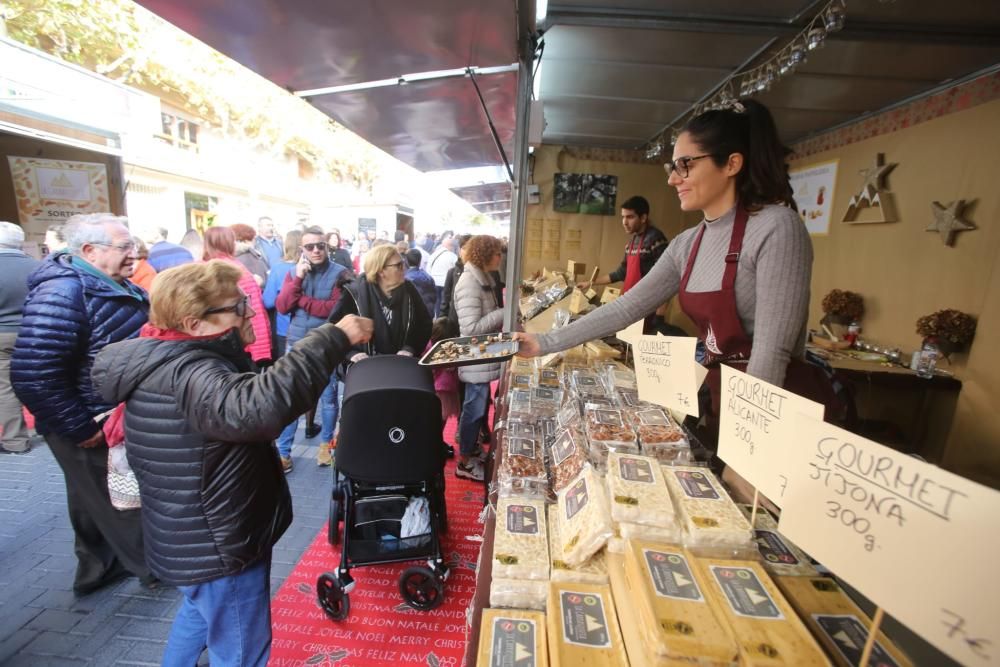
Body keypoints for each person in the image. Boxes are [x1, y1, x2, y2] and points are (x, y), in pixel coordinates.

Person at [514, 100, 832, 466]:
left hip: (773, 410)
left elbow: (771, 352)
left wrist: (749, 450)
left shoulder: (777, 228)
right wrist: (545, 342)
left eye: (685, 165)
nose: (672, 178)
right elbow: (628, 306)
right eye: (672, 166)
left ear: (731, 163)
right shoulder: (688, 243)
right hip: (723, 398)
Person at [90, 260, 373, 667]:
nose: (250, 312)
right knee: (240, 646)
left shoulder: (170, 356)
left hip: (195, 536)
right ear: (193, 323)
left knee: (201, 613)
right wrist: (334, 336)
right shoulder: (191, 369)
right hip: (217, 540)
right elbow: (260, 407)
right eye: (237, 306)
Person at [11, 212, 154, 594]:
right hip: (91, 420)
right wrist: (81, 427)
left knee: (88, 496)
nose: (134, 254)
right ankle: (151, 568)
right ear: (90, 250)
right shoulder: (64, 292)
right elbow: (32, 373)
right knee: (120, 500)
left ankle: (97, 570)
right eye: (125, 247)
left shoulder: (112, 284)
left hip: (105, 415)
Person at [275, 227, 348, 470]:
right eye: (310, 247)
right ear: (301, 250)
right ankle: (283, 453)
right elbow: (283, 306)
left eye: (320, 245)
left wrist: (302, 300)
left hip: (326, 343)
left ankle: (326, 445)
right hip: (297, 342)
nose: (316, 250)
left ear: (327, 247)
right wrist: (297, 279)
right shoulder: (293, 273)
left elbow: (332, 310)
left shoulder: (341, 273)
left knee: (328, 398)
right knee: (291, 398)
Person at [327, 244, 432, 376]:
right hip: (365, 372)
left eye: (403, 263)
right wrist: (351, 353)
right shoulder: (354, 293)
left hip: (401, 370)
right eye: (398, 265)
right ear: (381, 271)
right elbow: (333, 329)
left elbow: (425, 323)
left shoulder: (409, 289)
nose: (404, 268)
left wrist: (410, 348)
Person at [453, 235, 506, 482]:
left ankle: (472, 450)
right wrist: (502, 313)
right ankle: (464, 462)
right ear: (484, 254)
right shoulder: (469, 282)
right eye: (496, 253)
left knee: (478, 407)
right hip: (475, 356)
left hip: (482, 355)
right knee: (473, 409)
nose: (500, 257)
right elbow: (471, 329)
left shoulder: (482, 277)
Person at [575, 195, 669, 333]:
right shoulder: (631, 243)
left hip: (647, 310)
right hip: (630, 306)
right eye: (623, 217)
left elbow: (666, 279)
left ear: (643, 218)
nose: (624, 222)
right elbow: (621, 273)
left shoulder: (656, 239)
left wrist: (659, 316)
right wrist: (590, 283)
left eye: (630, 217)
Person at [202, 226, 272, 364]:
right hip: (236, 340)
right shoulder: (235, 269)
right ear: (229, 242)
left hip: (208, 340)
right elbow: (254, 310)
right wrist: (260, 350)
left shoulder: (198, 268)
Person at [0, 222, 40, 453]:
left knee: (5, 388)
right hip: (34, 331)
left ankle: (15, 440)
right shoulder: (37, 267)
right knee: (40, 381)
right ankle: (50, 426)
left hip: (2, 333)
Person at [262, 229, 303, 358]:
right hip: (312, 329)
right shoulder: (314, 268)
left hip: (286, 329)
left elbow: (268, 302)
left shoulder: (279, 268)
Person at [231, 223, 269, 288]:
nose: (255, 242)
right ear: (246, 241)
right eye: (254, 239)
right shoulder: (251, 256)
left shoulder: (229, 258)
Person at [428, 236, 458, 317]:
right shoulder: (453, 256)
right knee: (445, 303)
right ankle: (443, 319)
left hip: (434, 282)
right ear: (450, 246)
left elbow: (428, 267)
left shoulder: (434, 254)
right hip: (446, 283)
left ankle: (438, 319)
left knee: (437, 303)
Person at [404, 248, 436, 319]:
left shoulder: (405, 279)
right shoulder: (428, 277)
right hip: (428, 312)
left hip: (413, 315)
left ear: (407, 261)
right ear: (420, 261)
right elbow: (434, 296)